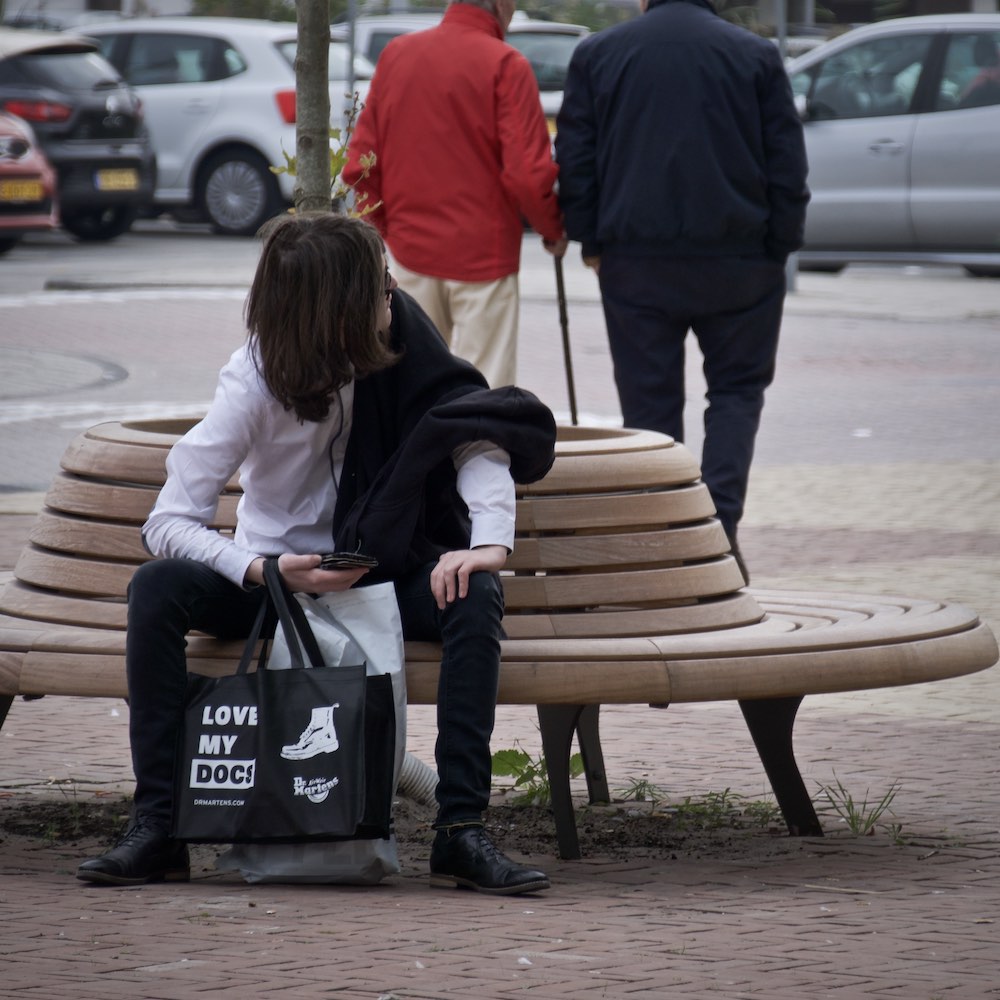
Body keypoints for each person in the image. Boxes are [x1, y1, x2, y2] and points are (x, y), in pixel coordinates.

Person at [77, 212, 558, 896]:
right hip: (273, 587)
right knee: (156, 588)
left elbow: (469, 430)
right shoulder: (253, 380)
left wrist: (486, 544)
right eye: (379, 288)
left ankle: (460, 833)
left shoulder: (400, 339)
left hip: (383, 569)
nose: (393, 295)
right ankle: (159, 826)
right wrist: (260, 568)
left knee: (471, 591)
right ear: (332, 314)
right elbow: (168, 521)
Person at [554, 0, 810, 580]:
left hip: (636, 262)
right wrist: (780, 246)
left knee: (649, 410)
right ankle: (718, 530)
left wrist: (590, 239)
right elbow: (787, 164)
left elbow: (577, 158)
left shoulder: (598, 54)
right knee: (738, 394)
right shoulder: (755, 55)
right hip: (741, 260)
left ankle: (664, 535)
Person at [342, 0, 568, 390]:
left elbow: (361, 165)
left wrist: (385, 230)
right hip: (485, 255)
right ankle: (481, 451)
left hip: (411, 250)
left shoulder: (397, 55)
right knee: (487, 388)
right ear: (500, 4)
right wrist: (552, 230)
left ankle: (419, 452)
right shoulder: (506, 65)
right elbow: (528, 175)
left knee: (412, 386)